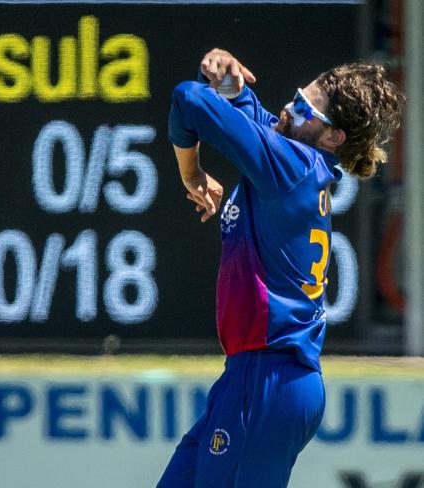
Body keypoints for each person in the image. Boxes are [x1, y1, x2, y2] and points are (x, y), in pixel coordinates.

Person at [158, 48, 405, 488]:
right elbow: (251, 114)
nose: (288, 108)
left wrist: (190, 171)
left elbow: (188, 100)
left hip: (268, 378)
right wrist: (228, 81)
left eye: (304, 108)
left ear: (333, 138)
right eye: (296, 96)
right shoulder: (299, 162)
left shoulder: (289, 167)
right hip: (256, 378)